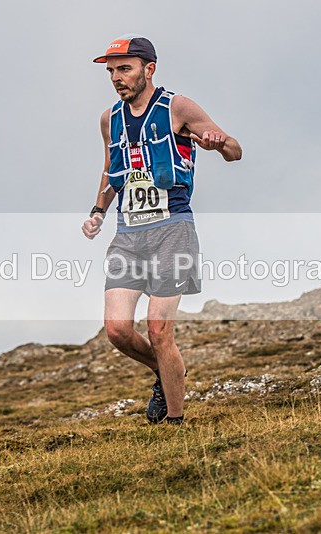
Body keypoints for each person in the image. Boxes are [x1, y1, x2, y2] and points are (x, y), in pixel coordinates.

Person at [82, 35, 242, 425]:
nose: (117, 78)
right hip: (128, 233)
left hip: (172, 227)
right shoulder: (110, 119)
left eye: (125, 69)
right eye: (111, 72)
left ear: (149, 69)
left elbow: (235, 149)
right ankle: (167, 372)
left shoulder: (178, 107)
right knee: (117, 330)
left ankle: (174, 421)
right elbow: (111, 169)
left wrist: (218, 144)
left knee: (158, 329)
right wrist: (97, 211)